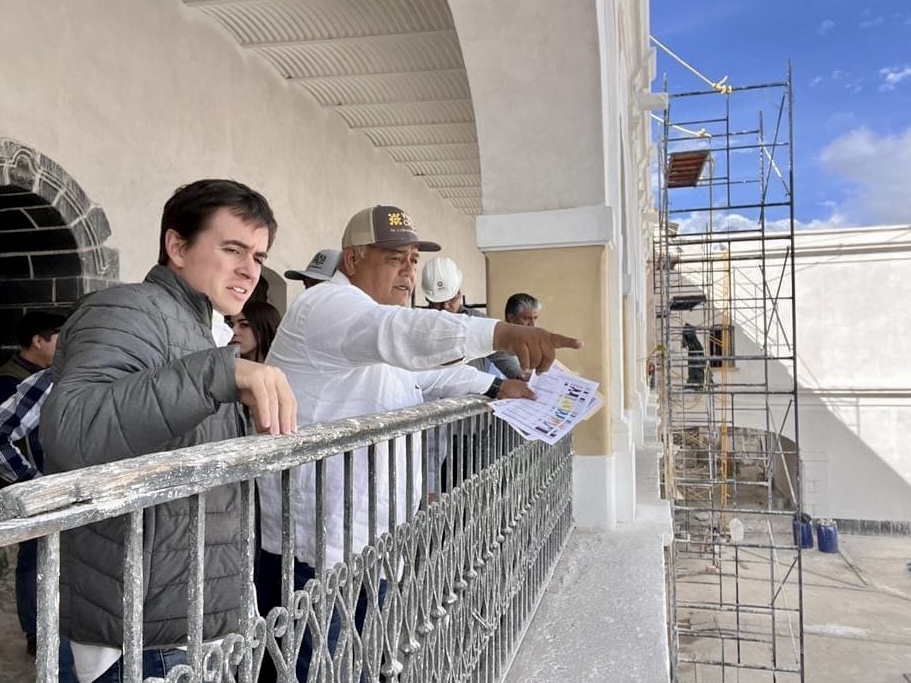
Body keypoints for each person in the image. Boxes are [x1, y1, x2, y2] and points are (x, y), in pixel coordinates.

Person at [257, 204, 581, 680]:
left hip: (370, 542)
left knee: (363, 665)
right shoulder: (328, 305)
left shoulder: (373, 321)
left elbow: (422, 377)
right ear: (352, 260)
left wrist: (493, 387)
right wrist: (497, 332)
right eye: (393, 259)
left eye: (412, 259)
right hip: (315, 554)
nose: (409, 271)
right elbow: (401, 335)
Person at [41, 178, 297, 683]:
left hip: (194, 617)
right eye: (233, 249)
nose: (249, 270)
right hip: (145, 638)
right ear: (177, 246)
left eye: (259, 256)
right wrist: (218, 374)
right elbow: (72, 426)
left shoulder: (203, 328)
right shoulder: (128, 309)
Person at [0, 368, 77, 680]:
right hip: (55, 510)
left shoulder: (150, 375)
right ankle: (37, 634)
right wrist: (37, 485)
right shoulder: (53, 379)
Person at [0, 310, 65, 657]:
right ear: (38, 341)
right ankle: (35, 631)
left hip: (45, 485)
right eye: (59, 335)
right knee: (34, 559)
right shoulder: (13, 382)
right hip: (30, 487)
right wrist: (32, 481)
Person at [421, 255, 524, 379]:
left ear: (459, 293)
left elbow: (501, 353)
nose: (445, 307)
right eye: (438, 303)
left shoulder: (477, 321)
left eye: (451, 300)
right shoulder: (418, 324)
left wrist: (519, 376)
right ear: (427, 299)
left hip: (473, 395)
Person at [0, 311, 65, 402]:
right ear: (37, 341)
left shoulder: (55, 370)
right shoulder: (8, 384)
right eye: (62, 339)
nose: (66, 346)